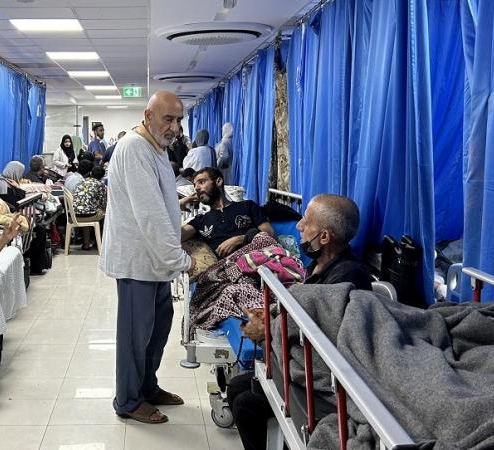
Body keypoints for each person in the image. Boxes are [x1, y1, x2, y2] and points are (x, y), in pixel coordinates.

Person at [227, 194, 372, 450]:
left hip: (330, 383)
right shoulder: (318, 265)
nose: (299, 226)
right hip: (303, 361)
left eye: (306, 221)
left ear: (324, 237)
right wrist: (271, 315)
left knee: (245, 405)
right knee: (237, 386)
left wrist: (268, 330)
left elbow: (325, 342)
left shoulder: (347, 278)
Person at [100, 90, 195, 425]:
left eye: (179, 120)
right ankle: (127, 400)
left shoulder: (156, 148)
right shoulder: (134, 148)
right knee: (135, 337)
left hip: (156, 260)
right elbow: (150, 216)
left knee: (157, 330)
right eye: (168, 119)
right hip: (137, 261)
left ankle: (147, 387)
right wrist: (183, 261)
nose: (175, 127)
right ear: (148, 115)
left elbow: (162, 204)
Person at [180, 167, 274, 257]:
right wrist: (178, 205)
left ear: (218, 182)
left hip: (259, 257)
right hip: (228, 265)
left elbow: (269, 235)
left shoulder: (248, 206)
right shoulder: (200, 220)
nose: (196, 188)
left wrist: (240, 239)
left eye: (201, 182)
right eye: (195, 185)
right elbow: (175, 238)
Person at [73, 166, 107, 250]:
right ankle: (101, 242)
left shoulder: (81, 181)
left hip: (73, 215)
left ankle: (86, 244)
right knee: (105, 213)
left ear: (91, 173)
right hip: (89, 216)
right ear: (102, 177)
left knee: (86, 211)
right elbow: (103, 204)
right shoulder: (100, 185)